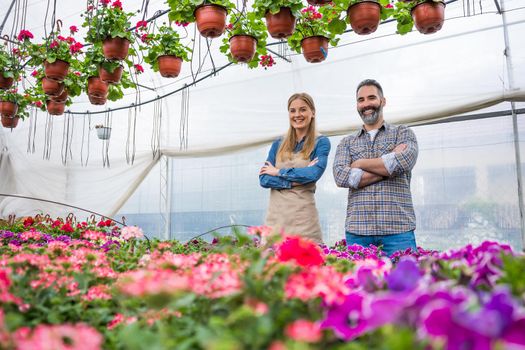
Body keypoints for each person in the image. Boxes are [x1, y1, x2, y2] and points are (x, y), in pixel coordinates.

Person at [333, 79, 419, 256]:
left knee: (403, 283)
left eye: (371, 98)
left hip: (398, 230)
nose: (366, 104)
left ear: (383, 101)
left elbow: (403, 162)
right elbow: (341, 177)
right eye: (361, 100)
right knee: (359, 284)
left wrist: (359, 164)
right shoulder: (347, 142)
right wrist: (388, 167)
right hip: (358, 232)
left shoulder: (403, 133)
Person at [259, 93, 331, 244]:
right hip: (276, 220)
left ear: (313, 112)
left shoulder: (321, 142)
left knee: (306, 266)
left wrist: (278, 172)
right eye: (292, 111)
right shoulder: (278, 143)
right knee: (273, 266)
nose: (297, 115)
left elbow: (313, 174)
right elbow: (264, 178)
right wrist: (293, 182)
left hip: (304, 221)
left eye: (303, 109)